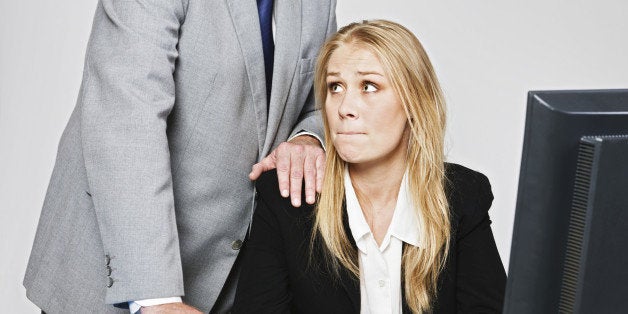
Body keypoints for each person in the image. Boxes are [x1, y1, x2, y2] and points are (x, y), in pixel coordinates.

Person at [23, 0, 336, 312]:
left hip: (230, 281)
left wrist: (308, 138)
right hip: (116, 268)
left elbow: (323, 99)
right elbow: (127, 122)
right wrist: (157, 299)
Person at [232, 20, 507, 313]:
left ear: (414, 102)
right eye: (335, 87)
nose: (344, 107)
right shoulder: (288, 197)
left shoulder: (461, 196)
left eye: (369, 86)